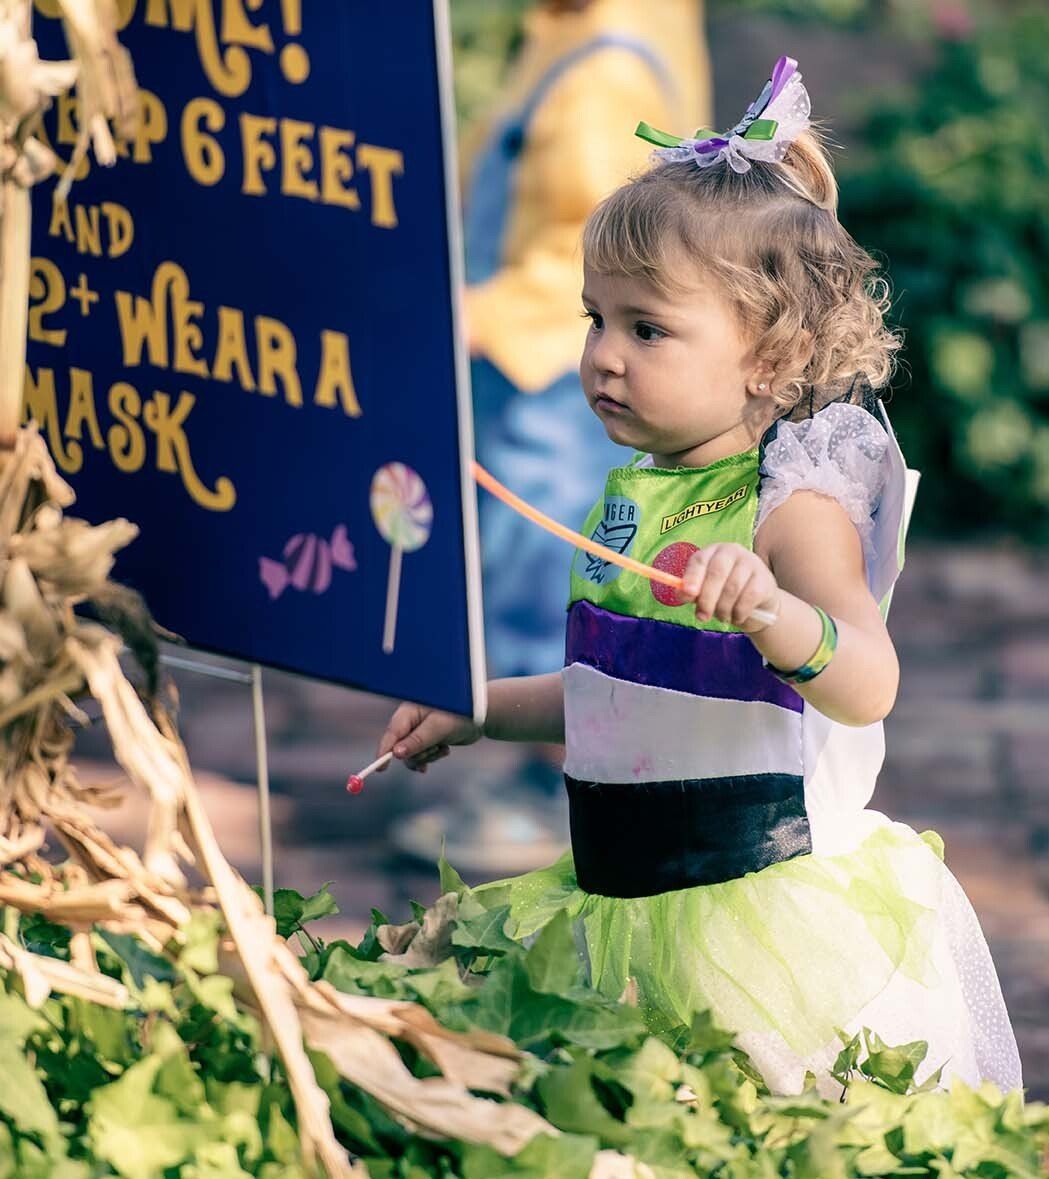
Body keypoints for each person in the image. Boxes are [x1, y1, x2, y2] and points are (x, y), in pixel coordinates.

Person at [377, 57, 1023, 1096]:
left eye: (646, 329)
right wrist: (482, 711)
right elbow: (619, 699)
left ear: (767, 358)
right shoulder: (632, 492)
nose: (602, 356)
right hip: (614, 905)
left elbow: (868, 684)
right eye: (595, 319)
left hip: (746, 923)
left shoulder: (787, 506)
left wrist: (773, 611)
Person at [391, 0, 711, 876]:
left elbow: (594, 240)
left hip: (550, 375)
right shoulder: (583, 28)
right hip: (531, 368)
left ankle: (554, 789)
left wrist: (471, 311)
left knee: (548, 567)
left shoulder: (607, 67)